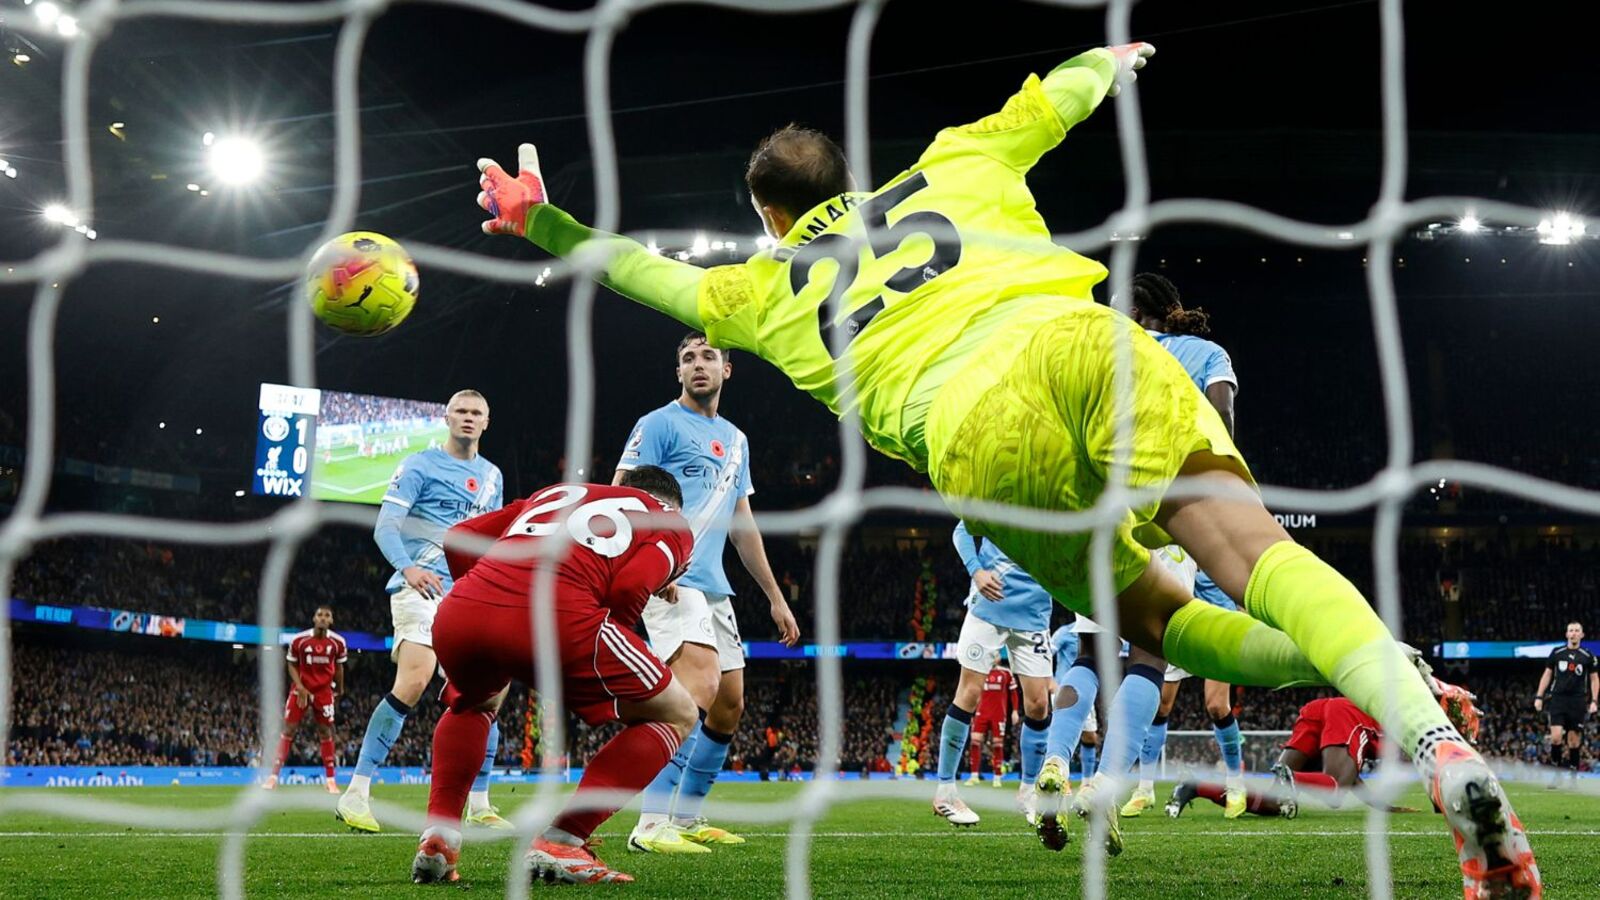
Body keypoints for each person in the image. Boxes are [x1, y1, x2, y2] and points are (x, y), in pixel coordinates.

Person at [474, 41, 1538, 895]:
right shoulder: (956, 160)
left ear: (768, 218)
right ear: (850, 176)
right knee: (1251, 552)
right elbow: (1061, 95)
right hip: (1082, 344)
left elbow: (635, 269)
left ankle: (1362, 672)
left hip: (976, 435)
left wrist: (538, 219)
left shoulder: (757, 287)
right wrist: (1110, 61)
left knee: (1163, 622)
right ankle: (1422, 725)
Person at [410, 465, 697, 886]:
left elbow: (458, 537)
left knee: (476, 701)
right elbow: (627, 587)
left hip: (462, 611)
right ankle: (564, 840)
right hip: (562, 618)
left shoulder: (559, 491)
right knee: (678, 712)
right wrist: (600, 643)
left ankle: (439, 835)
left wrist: (489, 597)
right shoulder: (671, 521)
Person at [616, 333, 801, 853]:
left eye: (707, 357)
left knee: (729, 704)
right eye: (688, 359)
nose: (698, 365)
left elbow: (742, 523)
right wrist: (650, 560)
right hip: (669, 580)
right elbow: (621, 492)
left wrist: (774, 596)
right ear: (678, 372)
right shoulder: (657, 424)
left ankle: (689, 817)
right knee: (693, 687)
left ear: (727, 369)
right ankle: (650, 823)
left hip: (714, 585)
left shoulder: (736, 440)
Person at [338, 390, 509, 833]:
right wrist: (408, 568)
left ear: (487, 422)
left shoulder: (492, 476)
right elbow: (385, 526)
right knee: (414, 679)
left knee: (487, 693)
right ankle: (356, 793)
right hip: (422, 588)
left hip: (467, 593)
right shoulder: (419, 465)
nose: (469, 419)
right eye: (462, 412)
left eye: (477, 413)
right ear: (447, 418)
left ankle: (481, 803)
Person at [1119, 272, 1246, 819]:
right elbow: (1223, 419)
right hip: (1206, 522)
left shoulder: (1120, 353)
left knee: (1174, 681)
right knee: (1172, 694)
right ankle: (1143, 786)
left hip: (1153, 518)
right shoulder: (1210, 353)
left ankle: (1235, 784)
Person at [1167, 684, 1481, 820]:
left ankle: (1198, 784)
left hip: (1323, 709)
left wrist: (1381, 805)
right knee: (1335, 786)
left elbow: (1352, 774)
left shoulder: (1415, 708)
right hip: (1349, 714)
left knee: (1276, 799)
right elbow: (1433, 769)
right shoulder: (1424, 724)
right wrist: (1443, 806)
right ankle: (1292, 778)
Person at [934, 520, 1054, 827]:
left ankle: (1028, 792)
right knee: (969, 691)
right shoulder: (998, 490)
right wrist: (976, 570)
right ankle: (945, 791)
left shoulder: (1056, 497)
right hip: (989, 606)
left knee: (1039, 703)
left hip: (1034, 611)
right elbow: (961, 531)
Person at [264, 606, 345, 793]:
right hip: (301, 690)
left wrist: (340, 689)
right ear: (314, 618)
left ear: (331, 621)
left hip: (324, 692)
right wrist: (300, 687)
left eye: (327, 616)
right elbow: (291, 664)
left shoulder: (338, 643)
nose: (323, 618)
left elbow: (340, 668)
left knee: (326, 732)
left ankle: (331, 780)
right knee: (289, 729)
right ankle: (273, 777)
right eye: (320, 615)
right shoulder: (299, 640)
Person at [1533, 621, 1597, 786]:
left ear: (1582, 635)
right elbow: (1547, 675)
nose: (1574, 633)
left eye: (1577, 631)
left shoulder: (1588, 655)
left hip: (1577, 701)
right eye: (1571, 630)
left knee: (1574, 741)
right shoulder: (1557, 653)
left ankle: (1574, 776)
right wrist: (1539, 697)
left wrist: (1594, 700)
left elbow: (1594, 679)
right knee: (1555, 738)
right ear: (1567, 634)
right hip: (1558, 699)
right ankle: (1556, 775)